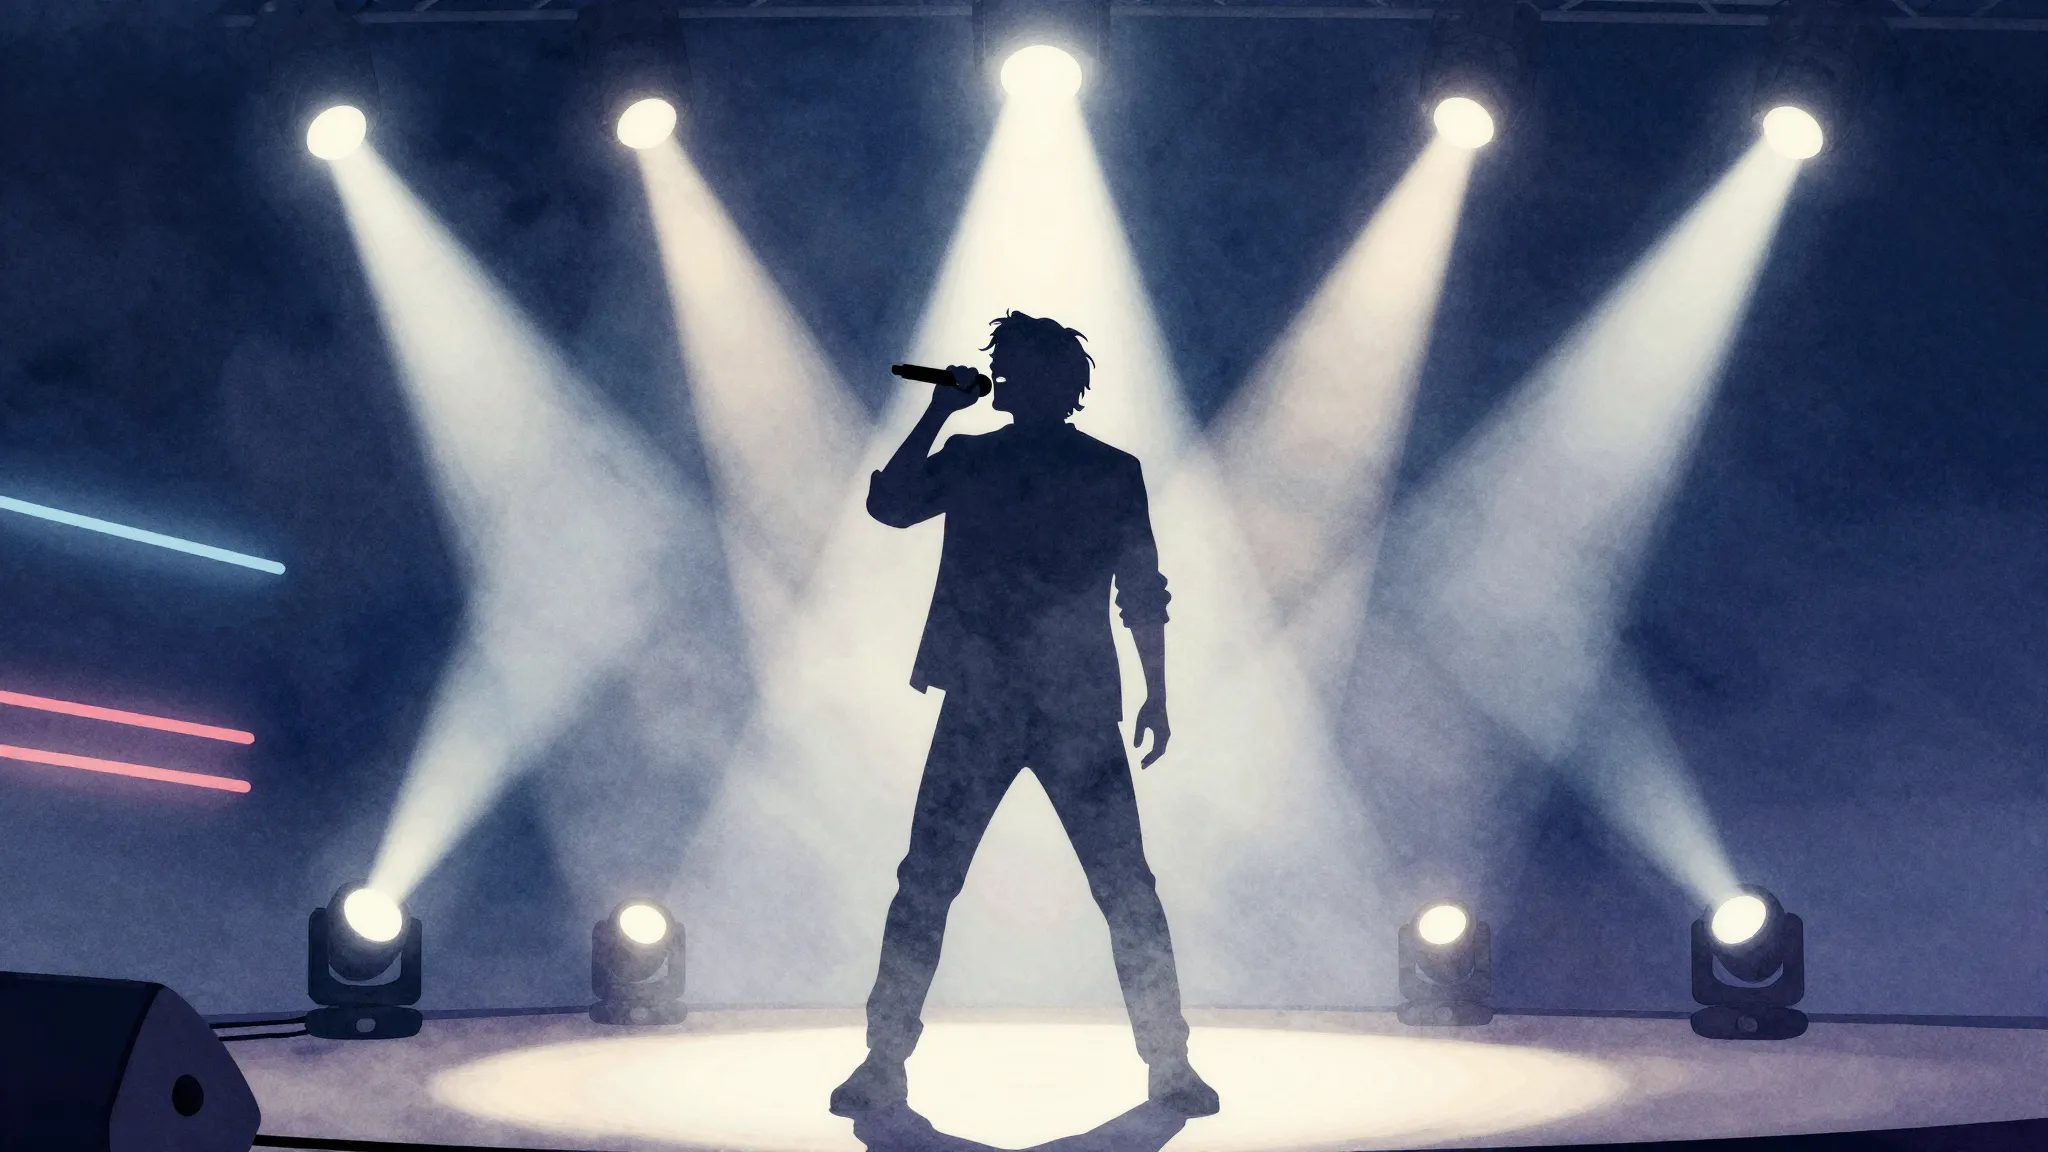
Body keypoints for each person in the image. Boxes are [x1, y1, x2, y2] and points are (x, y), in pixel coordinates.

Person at [829, 311, 1220, 1119]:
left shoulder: (1098, 470)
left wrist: (1158, 692)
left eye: (1012, 365)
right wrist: (939, 414)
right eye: (1000, 364)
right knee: (943, 882)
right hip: (1003, 698)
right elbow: (890, 504)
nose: (1000, 376)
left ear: (1052, 380)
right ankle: (885, 1060)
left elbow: (1141, 588)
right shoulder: (990, 459)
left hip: (1052, 703)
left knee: (1102, 887)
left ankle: (1168, 1062)